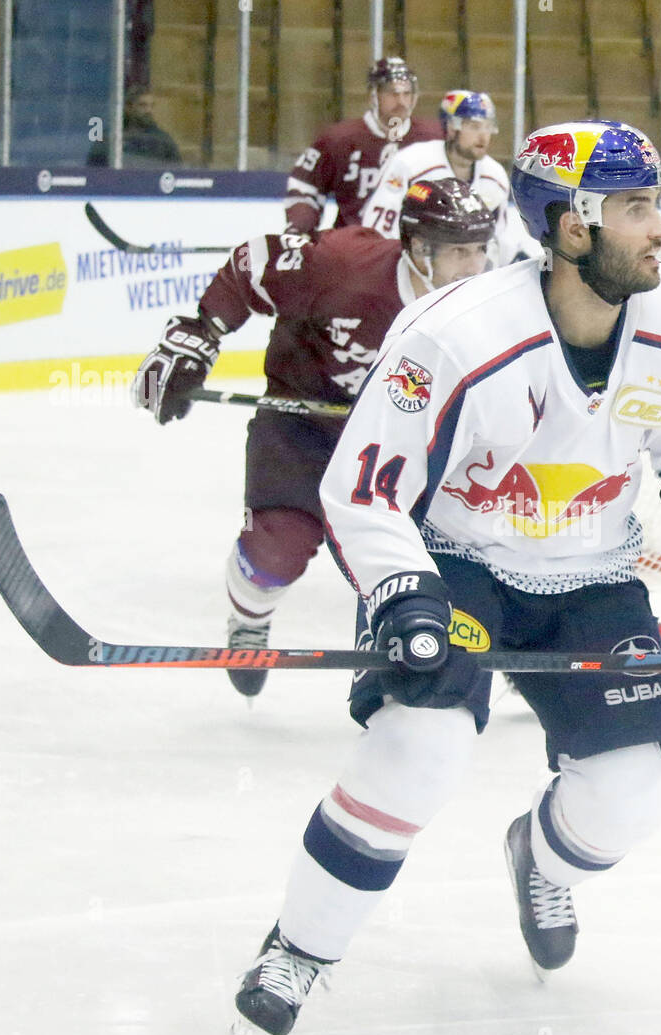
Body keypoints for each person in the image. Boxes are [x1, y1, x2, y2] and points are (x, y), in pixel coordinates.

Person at [227, 121, 661, 1035]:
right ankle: (299, 947)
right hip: (458, 563)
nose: (660, 228)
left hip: (594, 573)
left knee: (627, 794)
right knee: (420, 747)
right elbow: (363, 484)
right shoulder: (457, 334)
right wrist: (403, 590)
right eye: (636, 208)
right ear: (570, 227)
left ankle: (544, 860)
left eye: (657, 202)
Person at [130, 181, 497, 698]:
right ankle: (250, 616)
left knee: (450, 562)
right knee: (274, 552)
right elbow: (252, 263)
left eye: (480, 249)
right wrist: (197, 335)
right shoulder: (343, 265)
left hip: (404, 445)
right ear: (418, 247)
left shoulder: (485, 306)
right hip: (305, 426)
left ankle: (498, 644)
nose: (474, 266)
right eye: (459, 251)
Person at [361, 89, 541, 266]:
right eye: (474, 126)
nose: (483, 135)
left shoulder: (495, 176)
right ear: (451, 128)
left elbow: (498, 238)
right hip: (412, 268)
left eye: (488, 126)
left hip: (464, 274)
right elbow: (378, 229)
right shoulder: (410, 163)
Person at [283, 57, 443, 234]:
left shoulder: (433, 139)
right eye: (392, 93)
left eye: (407, 93)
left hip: (413, 246)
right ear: (373, 96)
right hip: (353, 246)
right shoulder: (338, 139)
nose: (401, 101)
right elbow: (305, 187)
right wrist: (300, 229)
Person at [86, 85, 181, 168]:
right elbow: (94, 170)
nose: (148, 110)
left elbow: (176, 170)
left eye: (152, 106)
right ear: (128, 107)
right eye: (142, 105)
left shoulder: (162, 139)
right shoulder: (110, 137)